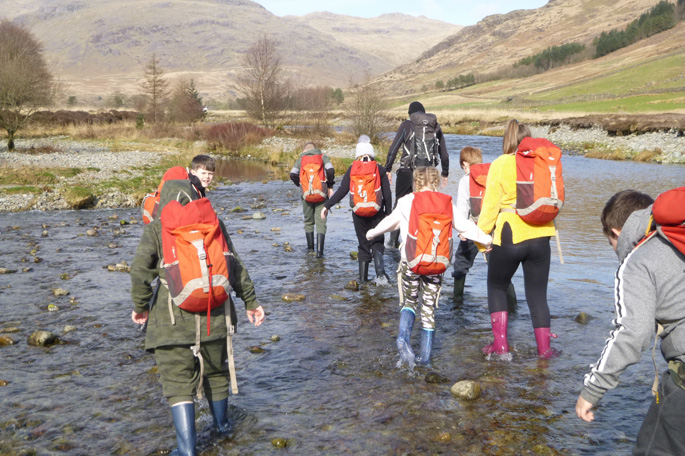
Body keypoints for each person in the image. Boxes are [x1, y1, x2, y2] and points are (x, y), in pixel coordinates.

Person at [131, 179, 265, 456]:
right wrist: (251, 302)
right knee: (216, 375)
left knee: (178, 384)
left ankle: (187, 450)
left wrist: (141, 307)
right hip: (215, 320)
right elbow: (235, 266)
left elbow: (140, 273)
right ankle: (223, 428)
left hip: (171, 325)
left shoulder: (157, 228)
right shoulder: (214, 224)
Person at [576, 189, 685, 455]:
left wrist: (592, 390)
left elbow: (632, 332)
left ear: (616, 232)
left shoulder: (639, 260)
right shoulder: (678, 240)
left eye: (611, 244)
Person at [366, 166, 492, 367]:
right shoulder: (446, 203)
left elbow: (389, 223)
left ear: (415, 182)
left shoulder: (407, 201)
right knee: (428, 310)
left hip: (411, 263)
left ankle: (402, 339)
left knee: (409, 302)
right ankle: (424, 361)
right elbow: (466, 227)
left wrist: (371, 233)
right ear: (436, 182)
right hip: (437, 264)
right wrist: (486, 240)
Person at [477, 119, 558, 359]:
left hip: (510, 234)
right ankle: (545, 351)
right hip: (542, 235)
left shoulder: (500, 164)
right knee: (537, 296)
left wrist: (481, 241)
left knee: (497, 286)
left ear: (507, 140)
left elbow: (489, 207)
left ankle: (500, 347)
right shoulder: (541, 163)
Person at [321, 135, 392, 284]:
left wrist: (327, 206)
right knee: (377, 242)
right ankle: (381, 276)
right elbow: (387, 193)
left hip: (358, 213)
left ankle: (363, 282)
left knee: (363, 245)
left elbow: (342, 190)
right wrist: (388, 213)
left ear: (357, 154)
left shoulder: (352, 169)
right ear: (372, 153)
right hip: (377, 211)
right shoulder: (379, 169)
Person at [453, 147, 517, 308]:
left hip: (473, 230)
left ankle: (457, 304)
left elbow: (462, 208)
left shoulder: (465, 181)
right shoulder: (494, 175)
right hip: (495, 230)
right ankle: (513, 308)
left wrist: (461, 231)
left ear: (465, 164)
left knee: (461, 264)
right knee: (500, 270)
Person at [384, 101, 449, 247]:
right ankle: (425, 243)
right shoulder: (435, 127)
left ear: (410, 114)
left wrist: (387, 169)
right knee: (425, 207)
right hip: (427, 174)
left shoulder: (406, 125)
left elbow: (393, 148)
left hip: (406, 171)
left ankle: (393, 243)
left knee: (400, 204)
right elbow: (444, 154)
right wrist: (444, 173)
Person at [290, 142, 335, 257]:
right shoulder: (323, 157)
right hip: (322, 194)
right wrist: (330, 186)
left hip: (306, 195)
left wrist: (300, 185)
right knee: (321, 223)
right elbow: (330, 170)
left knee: (308, 222)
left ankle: (310, 251)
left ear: (304, 150)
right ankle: (320, 254)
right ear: (316, 149)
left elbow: (292, 174)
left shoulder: (300, 160)